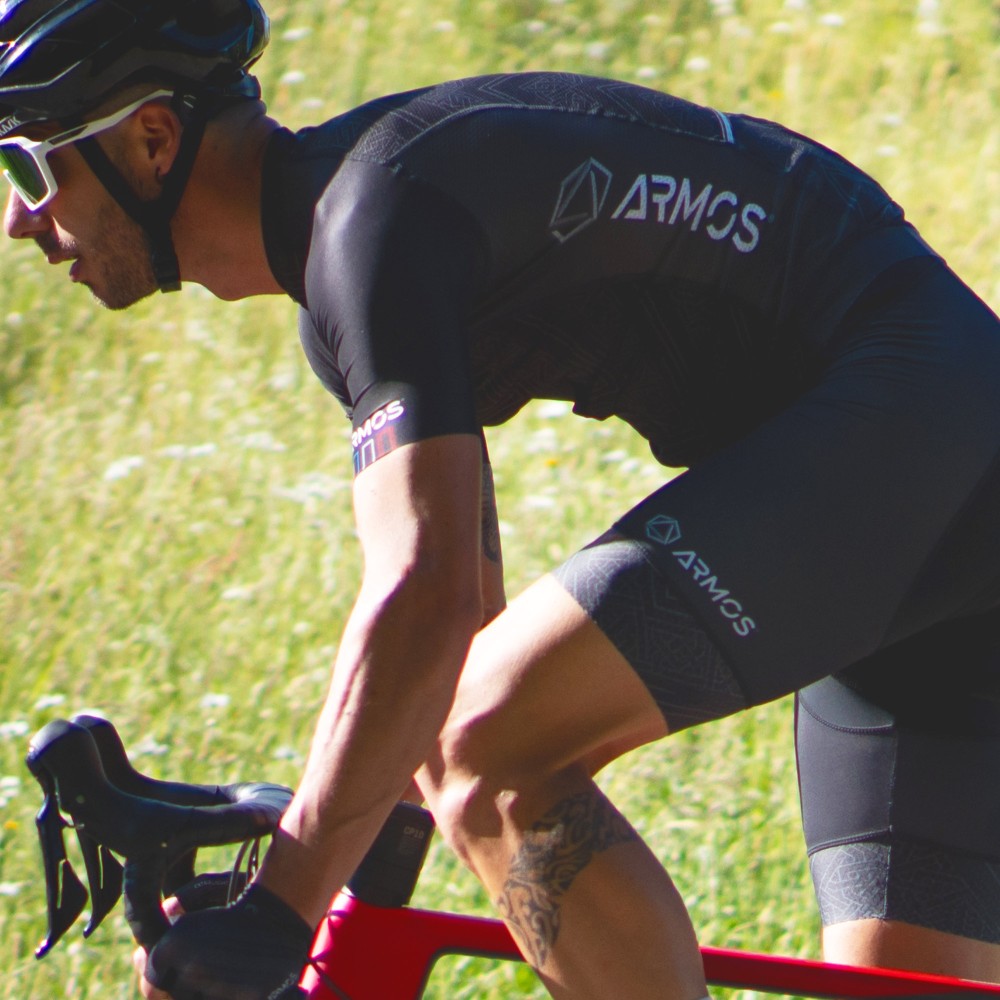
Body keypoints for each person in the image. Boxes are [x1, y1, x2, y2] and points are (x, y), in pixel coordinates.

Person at [3, 2, 1000, 997]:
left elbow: (427, 604)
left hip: (916, 420)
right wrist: (309, 875)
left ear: (152, 137)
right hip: (912, 495)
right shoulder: (351, 261)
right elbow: (448, 638)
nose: (18, 219)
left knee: (487, 746)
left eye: (30, 168)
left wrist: (282, 908)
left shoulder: (373, 223)